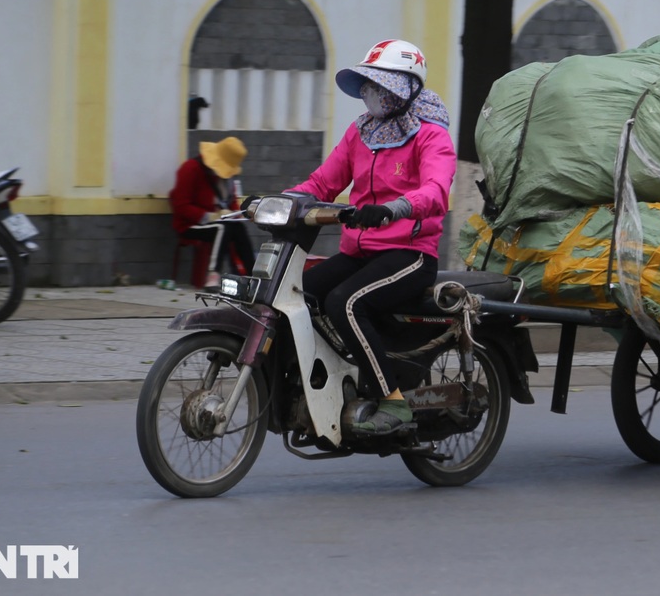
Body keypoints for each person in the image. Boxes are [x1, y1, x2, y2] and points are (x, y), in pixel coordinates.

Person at [286, 39, 456, 436]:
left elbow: (436, 190)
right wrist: (281, 200)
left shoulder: (431, 134)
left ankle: (392, 402)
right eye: (369, 84)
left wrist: (395, 208)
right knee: (297, 295)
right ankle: (325, 384)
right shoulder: (361, 132)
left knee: (344, 302)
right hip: (359, 251)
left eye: (382, 84)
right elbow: (322, 183)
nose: (372, 92)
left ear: (408, 86)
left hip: (410, 254)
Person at [170, 136, 255, 290]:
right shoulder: (190, 169)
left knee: (238, 228)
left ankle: (252, 274)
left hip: (219, 221)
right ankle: (213, 275)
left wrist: (237, 214)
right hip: (190, 224)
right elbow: (181, 206)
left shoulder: (227, 179)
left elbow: (231, 201)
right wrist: (210, 216)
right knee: (222, 228)